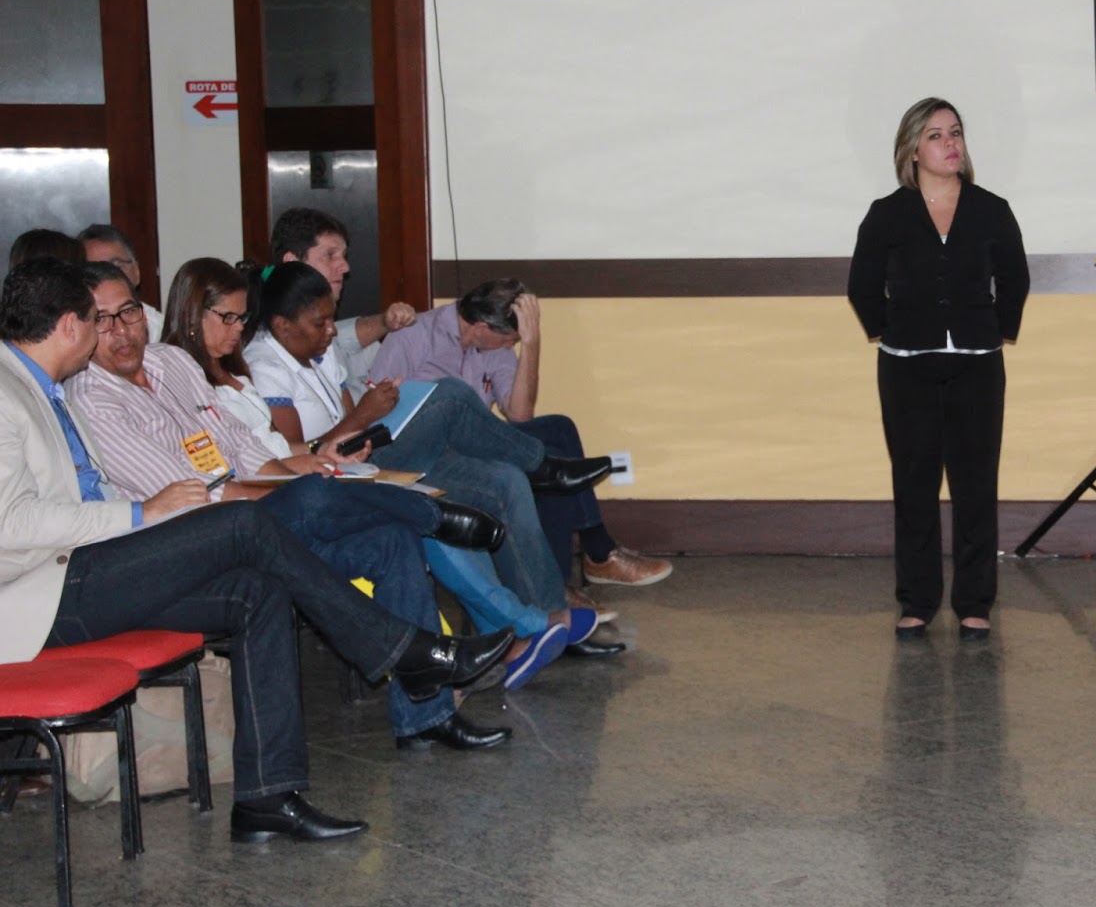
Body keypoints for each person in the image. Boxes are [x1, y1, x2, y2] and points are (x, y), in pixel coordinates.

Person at [0, 256, 512, 841]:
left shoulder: (49, 387)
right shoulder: (13, 393)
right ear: (71, 325)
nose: (109, 333)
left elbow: (221, 455)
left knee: (258, 592)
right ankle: (406, 643)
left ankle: (268, 796)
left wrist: (298, 465)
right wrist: (140, 512)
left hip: (98, 562)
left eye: (126, 314)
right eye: (98, 321)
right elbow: (11, 525)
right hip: (48, 593)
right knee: (246, 521)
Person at [161, 257, 596, 686]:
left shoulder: (260, 369)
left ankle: (514, 634)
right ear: (282, 326)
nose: (332, 331)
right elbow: (247, 471)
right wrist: (343, 434)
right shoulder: (248, 370)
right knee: (446, 411)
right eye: (230, 318)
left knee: (496, 484)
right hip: (301, 494)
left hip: (344, 466)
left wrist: (327, 449)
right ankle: (525, 616)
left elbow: (275, 451)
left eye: (242, 318)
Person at [847, 97, 1030, 641]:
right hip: (907, 367)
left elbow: (1015, 278)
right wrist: (892, 330)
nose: (951, 144)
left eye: (956, 133)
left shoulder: (991, 209)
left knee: (976, 485)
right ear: (912, 150)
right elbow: (862, 285)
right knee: (914, 486)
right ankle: (917, 601)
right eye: (936, 135)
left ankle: (974, 602)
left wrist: (995, 329)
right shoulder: (887, 213)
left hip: (977, 366)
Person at [368, 277, 673, 589]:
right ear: (481, 327)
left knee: (559, 430)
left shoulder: (494, 345)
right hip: (426, 453)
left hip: (480, 441)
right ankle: (593, 556)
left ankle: (582, 565)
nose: (509, 346)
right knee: (543, 464)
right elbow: (375, 411)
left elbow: (520, 414)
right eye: (509, 339)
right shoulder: (413, 334)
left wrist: (531, 343)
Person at [269, 206, 415, 399]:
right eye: (330, 255)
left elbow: (342, 337)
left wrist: (386, 322)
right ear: (292, 262)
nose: (345, 267)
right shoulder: (272, 346)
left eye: (344, 256)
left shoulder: (328, 338)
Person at [79, 222, 163, 336]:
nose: (108, 276)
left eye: (117, 267)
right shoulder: (76, 334)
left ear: (136, 271)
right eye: (96, 270)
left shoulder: (161, 332)